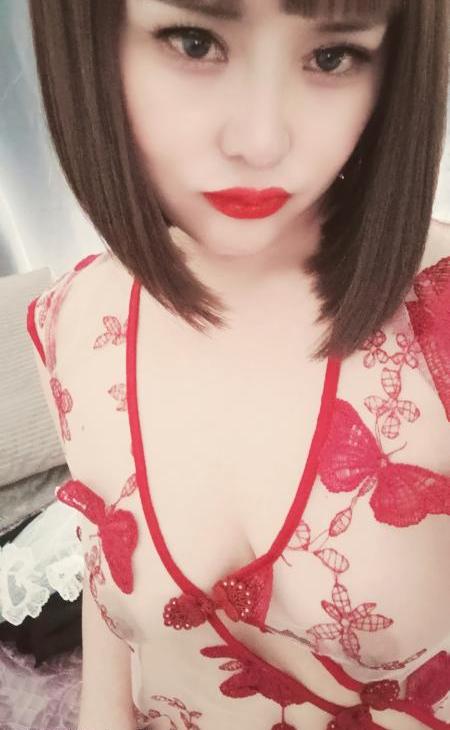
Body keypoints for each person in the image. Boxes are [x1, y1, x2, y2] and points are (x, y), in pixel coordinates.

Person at [25, 0, 450, 728]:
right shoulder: (69, 325)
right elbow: (111, 610)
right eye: (194, 42)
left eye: (331, 57)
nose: (261, 142)